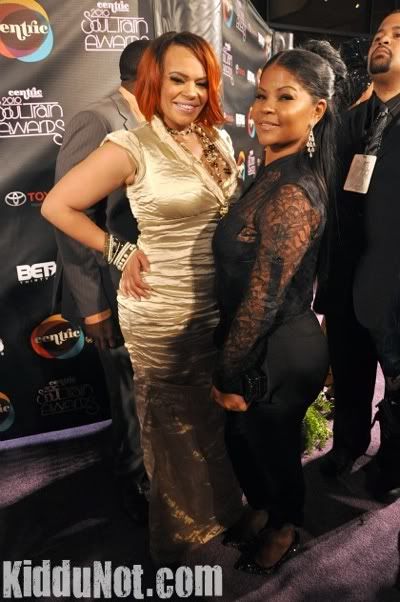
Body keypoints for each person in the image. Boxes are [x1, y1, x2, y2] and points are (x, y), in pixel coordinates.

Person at [41, 31, 243, 564]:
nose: (191, 92)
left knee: (208, 415)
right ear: (154, 81)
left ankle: (219, 509)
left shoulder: (216, 139)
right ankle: (179, 533)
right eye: (178, 79)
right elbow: (57, 206)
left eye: (201, 82)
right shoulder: (130, 145)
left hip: (213, 304)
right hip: (159, 306)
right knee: (169, 425)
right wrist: (118, 250)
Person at [211, 43, 346, 575]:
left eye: (284, 97)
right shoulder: (269, 173)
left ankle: (286, 525)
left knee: (272, 449)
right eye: (261, 95)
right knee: (242, 442)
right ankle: (265, 510)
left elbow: (264, 296)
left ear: (316, 110)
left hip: (280, 349)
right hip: (254, 339)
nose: (265, 108)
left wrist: (229, 369)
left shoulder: (294, 190)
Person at [53, 40, 150, 523]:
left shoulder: (159, 120)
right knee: (128, 392)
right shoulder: (99, 119)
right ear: (147, 73)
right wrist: (94, 305)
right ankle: (134, 481)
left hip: (150, 288)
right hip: (112, 289)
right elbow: (70, 219)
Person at [318, 11, 400, 501]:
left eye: (398, 35)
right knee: (348, 372)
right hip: (346, 279)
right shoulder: (346, 123)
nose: (382, 41)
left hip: (395, 286)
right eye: (379, 35)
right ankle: (347, 444)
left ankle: (393, 463)